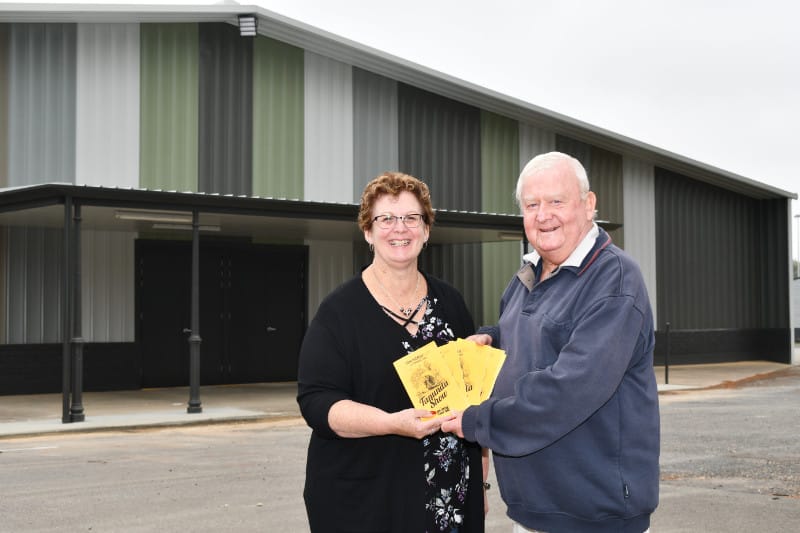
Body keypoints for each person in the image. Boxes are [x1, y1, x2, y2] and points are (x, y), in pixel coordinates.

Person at [442, 152, 660, 533]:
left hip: (592, 516)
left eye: (556, 201)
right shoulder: (527, 276)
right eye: (532, 204)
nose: (544, 215)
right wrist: (492, 339)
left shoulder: (614, 280)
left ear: (588, 204)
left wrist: (477, 421)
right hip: (532, 511)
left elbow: (570, 389)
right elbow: (533, 333)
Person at [297, 171, 486, 533]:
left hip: (451, 495)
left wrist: (481, 478)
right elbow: (317, 403)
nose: (400, 228)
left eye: (411, 218)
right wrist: (390, 423)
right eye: (386, 218)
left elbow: (472, 396)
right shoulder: (339, 312)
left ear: (426, 230)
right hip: (367, 500)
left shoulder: (451, 303)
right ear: (368, 232)